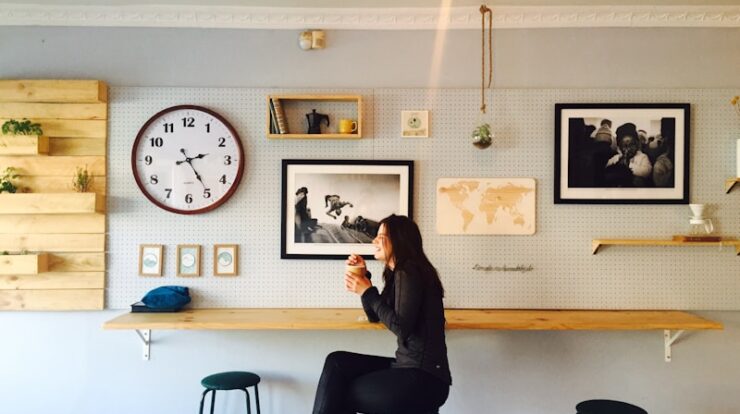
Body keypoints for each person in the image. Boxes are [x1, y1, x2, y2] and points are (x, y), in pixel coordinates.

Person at [312, 214, 451, 414]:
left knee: (337, 391)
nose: (375, 240)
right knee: (337, 362)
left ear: (399, 239)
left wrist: (367, 291)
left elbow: (401, 328)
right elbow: (375, 315)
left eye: (382, 236)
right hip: (408, 367)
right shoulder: (399, 274)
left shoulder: (409, 271)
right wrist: (364, 278)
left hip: (424, 378)